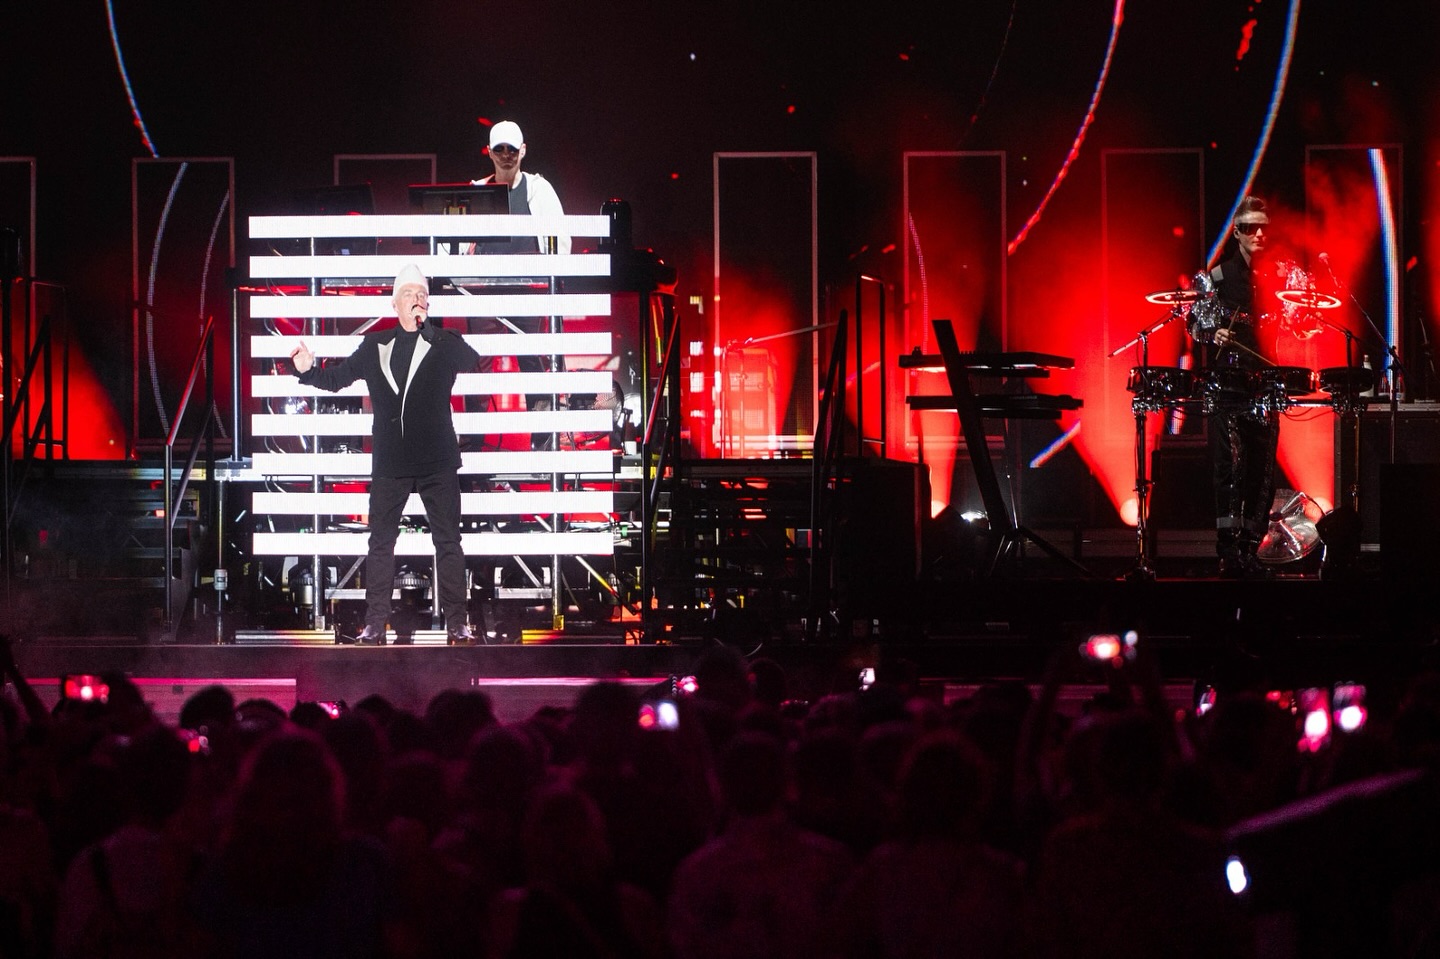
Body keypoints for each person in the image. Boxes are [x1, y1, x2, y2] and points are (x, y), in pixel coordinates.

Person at [289, 264, 483, 645]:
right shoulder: (374, 345)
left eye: (422, 295)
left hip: (438, 459)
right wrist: (308, 371)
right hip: (391, 461)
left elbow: (471, 360)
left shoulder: (443, 342)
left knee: (448, 541)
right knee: (380, 542)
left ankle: (457, 622)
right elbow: (337, 379)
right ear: (394, 303)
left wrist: (429, 330)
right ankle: (375, 623)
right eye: (409, 295)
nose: (417, 301)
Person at [1191, 196, 1281, 579]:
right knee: (1232, 466)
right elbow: (1194, 326)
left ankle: (1250, 548)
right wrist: (1215, 333)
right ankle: (1228, 551)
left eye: (1263, 227)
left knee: (1262, 467)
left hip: (1264, 380)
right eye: (1250, 227)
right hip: (1228, 383)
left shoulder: (1274, 277)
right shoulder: (1219, 277)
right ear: (1237, 232)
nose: (1258, 234)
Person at [473, 120, 571, 449]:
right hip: (483, 292)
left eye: (511, 149)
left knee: (533, 364)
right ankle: (474, 444)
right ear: (489, 152)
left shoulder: (537, 189)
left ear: (522, 151)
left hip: (528, 291)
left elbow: (562, 240)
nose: (505, 155)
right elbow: (452, 243)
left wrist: (545, 274)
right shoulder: (478, 190)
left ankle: (543, 443)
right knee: (476, 365)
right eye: (499, 149)